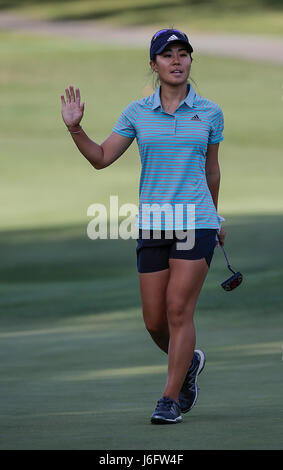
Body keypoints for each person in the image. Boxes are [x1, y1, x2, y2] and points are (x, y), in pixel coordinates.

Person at [60, 28, 226, 425]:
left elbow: (212, 169)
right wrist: (74, 128)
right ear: (154, 65)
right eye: (167, 55)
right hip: (153, 224)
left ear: (190, 62)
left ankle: (169, 400)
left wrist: (215, 218)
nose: (176, 60)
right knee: (154, 321)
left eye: (183, 53)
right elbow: (101, 158)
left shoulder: (211, 112)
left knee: (177, 309)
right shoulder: (137, 112)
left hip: (195, 222)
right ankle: (188, 364)